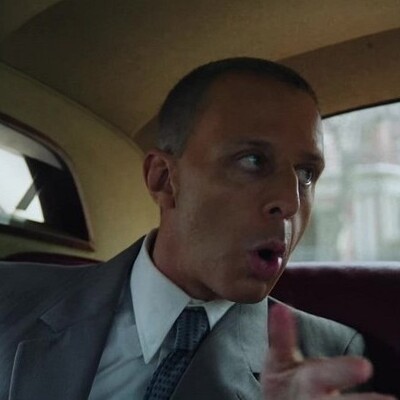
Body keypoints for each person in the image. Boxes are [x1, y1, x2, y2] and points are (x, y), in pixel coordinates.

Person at [0, 58, 393, 400]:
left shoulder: (328, 358)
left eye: (306, 174)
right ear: (163, 179)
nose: (290, 202)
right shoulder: (10, 295)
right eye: (253, 161)